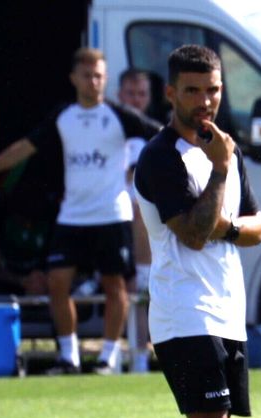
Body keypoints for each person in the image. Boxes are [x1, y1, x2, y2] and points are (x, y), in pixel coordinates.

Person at [131, 44, 261, 418]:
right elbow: (190, 231)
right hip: (183, 311)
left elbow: (256, 227)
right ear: (171, 94)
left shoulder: (226, 153)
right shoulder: (161, 156)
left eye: (212, 90)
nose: (204, 101)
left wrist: (226, 220)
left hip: (226, 309)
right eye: (192, 90)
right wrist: (219, 173)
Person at [0, 48, 160, 375]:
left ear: (105, 78)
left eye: (98, 75)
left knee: (114, 286)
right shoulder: (63, 116)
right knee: (57, 283)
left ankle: (108, 358)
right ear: (73, 79)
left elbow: (163, 135)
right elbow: (24, 147)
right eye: (86, 75)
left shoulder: (120, 115)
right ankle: (69, 356)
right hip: (73, 215)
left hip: (111, 214)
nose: (93, 81)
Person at [120, 67, 156, 373]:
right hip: (111, 222)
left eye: (142, 94)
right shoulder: (111, 128)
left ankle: (141, 358)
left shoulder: (155, 134)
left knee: (143, 293)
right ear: (119, 95)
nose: (136, 99)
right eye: (130, 93)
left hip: (144, 228)